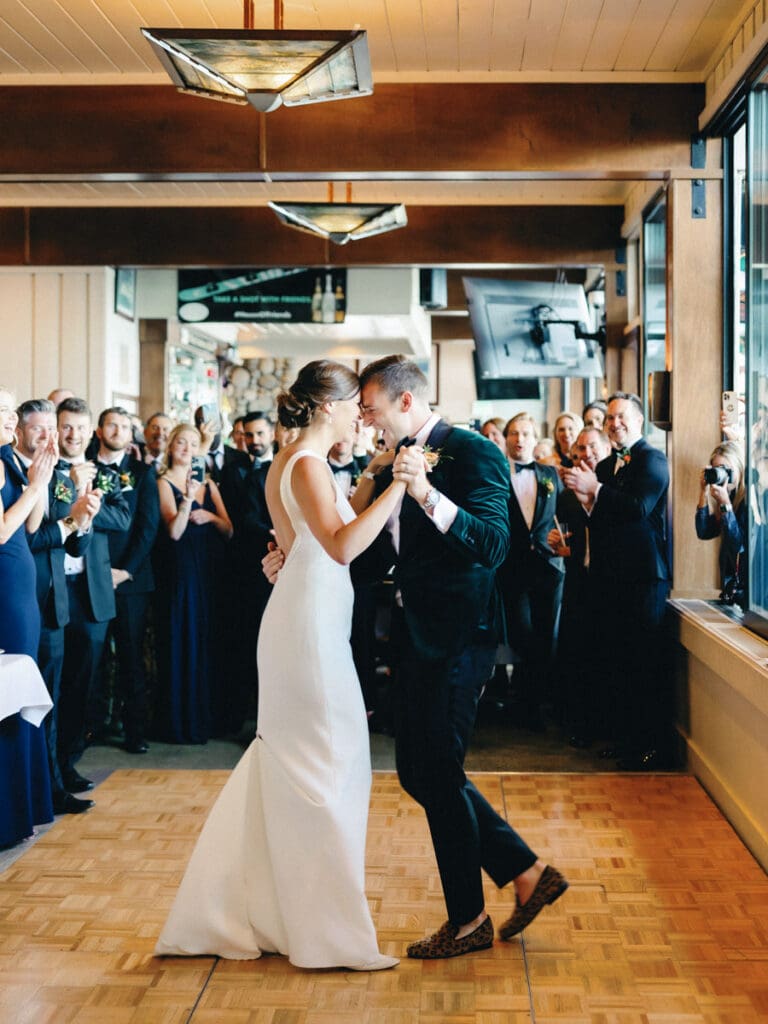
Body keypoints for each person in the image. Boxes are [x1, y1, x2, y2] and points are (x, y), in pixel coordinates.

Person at [155, 359, 407, 970]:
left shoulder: (290, 462)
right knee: (330, 769)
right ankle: (326, 933)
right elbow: (340, 545)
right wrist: (401, 484)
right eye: (355, 406)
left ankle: (281, 913)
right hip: (310, 638)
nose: (360, 415)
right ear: (328, 407)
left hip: (303, 622)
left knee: (311, 766)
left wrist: (372, 477)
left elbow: (299, 545)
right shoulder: (308, 464)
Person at [354, 357, 568, 958]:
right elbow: (385, 555)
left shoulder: (472, 452)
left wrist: (424, 492)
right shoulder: (385, 460)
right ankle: (525, 872)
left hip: (459, 636)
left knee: (435, 772)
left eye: (369, 404)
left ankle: (470, 919)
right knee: (420, 771)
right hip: (414, 633)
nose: (363, 414)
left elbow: (496, 544)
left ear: (403, 402)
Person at [561, 392, 672, 769]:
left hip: (644, 578)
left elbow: (639, 508)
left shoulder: (653, 459)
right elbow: (600, 518)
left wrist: (595, 490)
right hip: (611, 578)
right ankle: (626, 739)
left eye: (621, 417)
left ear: (639, 420)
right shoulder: (609, 465)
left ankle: (651, 746)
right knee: (619, 661)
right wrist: (585, 504)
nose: (614, 423)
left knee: (644, 662)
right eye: (609, 418)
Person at [16, 399, 98, 815]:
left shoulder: (60, 477)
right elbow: (24, 540)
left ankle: (51, 784)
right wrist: (68, 523)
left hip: (54, 605)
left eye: (53, 429)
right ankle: (42, 791)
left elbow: (74, 542)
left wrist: (82, 520)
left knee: (51, 700)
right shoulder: (15, 473)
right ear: (18, 430)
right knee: (30, 704)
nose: (49, 437)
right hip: (23, 600)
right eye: (41, 429)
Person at [0, 385, 55, 847]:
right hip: (5, 585)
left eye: (8, 411)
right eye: (0, 412)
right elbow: (0, 531)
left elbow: (33, 523)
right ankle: (10, 811)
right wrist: (34, 486)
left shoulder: (7, 458)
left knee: (20, 687)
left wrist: (42, 477)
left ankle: (27, 804)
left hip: (21, 584)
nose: (8, 419)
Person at [154, 424, 232, 743]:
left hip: (210, 571)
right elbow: (174, 532)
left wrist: (211, 518)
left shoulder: (210, 485)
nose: (186, 448)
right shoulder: (162, 483)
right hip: (181, 571)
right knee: (182, 637)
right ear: (171, 447)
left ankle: (207, 717)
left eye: (193, 443)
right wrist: (187, 500)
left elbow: (229, 530)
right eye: (181, 443)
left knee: (208, 638)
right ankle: (179, 722)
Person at [93, 406, 160, 754]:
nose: (117, 430)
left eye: (123, 426)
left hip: (131, 580)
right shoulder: (84, 468)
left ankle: (135, 730)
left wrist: (125, 570)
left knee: (132, 656)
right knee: (94, 655)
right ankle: (92, 726)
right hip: (90, 575)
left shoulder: (142, 472)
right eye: (111, 424)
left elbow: (148, 528)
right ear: (100, 429)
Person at [498, 412, 564, 731]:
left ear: (535, 440)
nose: (520, 439)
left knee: (546, 638)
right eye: (514, 433)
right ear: (506, 438)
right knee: (522, 634)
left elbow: (566, 516)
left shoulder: (551, 474)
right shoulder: (496, 475)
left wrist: (566, 540)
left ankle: (532, 706)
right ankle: (524, 699)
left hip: (548, 568)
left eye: (525, 433)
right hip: (510, 569)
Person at [695, 441, 747, 606]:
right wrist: (703, 492)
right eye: (717, 469)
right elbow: (704, 532)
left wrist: (725, 504)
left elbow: (737, 544)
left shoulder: (748, 499)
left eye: (726, 470)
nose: (721, 475)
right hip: (730, 583)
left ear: (739, 469)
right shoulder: (726, 497)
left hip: (749, 586)